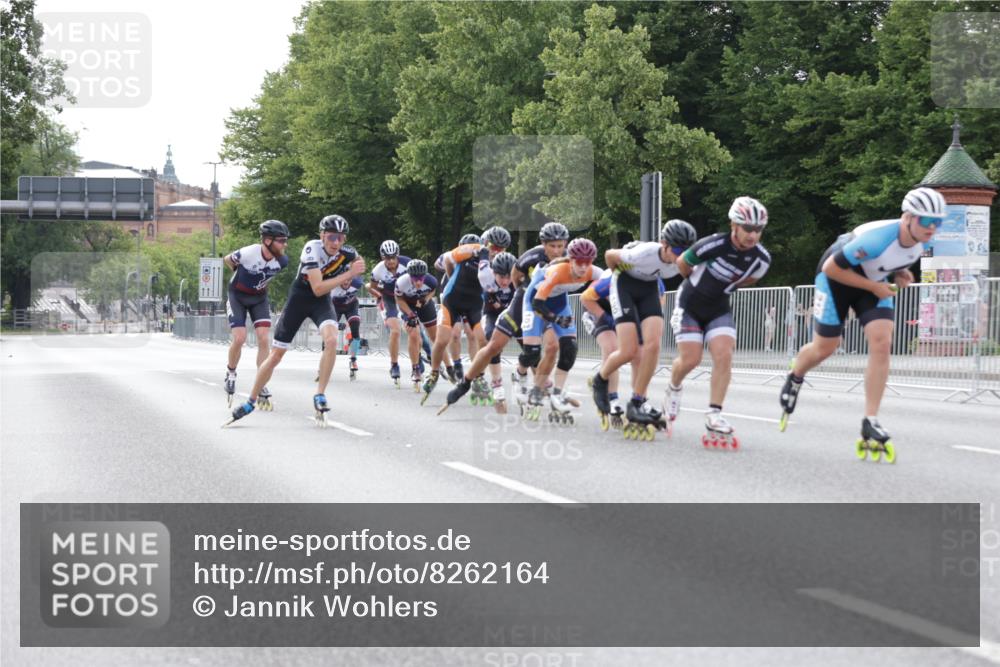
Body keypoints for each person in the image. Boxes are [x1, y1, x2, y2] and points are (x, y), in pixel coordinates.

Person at [778, 187, 946, 461]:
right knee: (826, 347)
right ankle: (796, 373)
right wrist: (874, 287)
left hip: (871, 282)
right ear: (907, 218)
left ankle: (870, 418)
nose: (933, 228)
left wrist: (901, 273)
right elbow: (832, 268)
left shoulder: (920, 243)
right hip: (834, 279)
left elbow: (889, 262)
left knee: (882, 343)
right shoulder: (878, 238)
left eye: (938, 222)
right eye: (927, 221)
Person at [228, 214, 364, 426]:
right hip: (299, 300)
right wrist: (348, 275)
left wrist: (356, 265)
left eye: (340, 238)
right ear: (322, 236)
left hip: (321, 303)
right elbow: (318, 288)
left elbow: (358, 264)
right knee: (275, 356)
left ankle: (320, 394)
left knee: (331, 341)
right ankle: (251, 401)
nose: (335, 243)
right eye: (331, 237)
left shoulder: (347, 252)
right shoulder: (312, 248)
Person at [666, 198, 771, 447]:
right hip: (690, 303)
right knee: (691, 359)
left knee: (724, 355)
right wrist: (698, 283)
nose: (752, 235)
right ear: (734, 225)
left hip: (718, 307)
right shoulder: (712, 244)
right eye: (748, 228)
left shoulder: (761, 259)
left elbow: (750, 279)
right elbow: (683, 264)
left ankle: (714, 413)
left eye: (758, 230)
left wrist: (720, 288)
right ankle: (674, 387)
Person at [440, 222, 569, 414]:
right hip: (490, 312)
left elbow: (524, 285)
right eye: (500, 277)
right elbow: (450, 262)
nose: (504, 281)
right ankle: (495, 384)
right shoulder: (483, 266)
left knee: (532, 351)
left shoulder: (512, 265)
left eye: (507, 278)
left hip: (517, 308)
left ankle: (539, 385)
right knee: (490, 341)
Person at [591, 220, 696, 438]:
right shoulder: (644, 253)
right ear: (663, 244)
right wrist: (619, 277)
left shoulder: (684, 261)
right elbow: (610, 255)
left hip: (649, 288)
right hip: (624, 284)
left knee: (653, 345)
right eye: (676, 250)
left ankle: (637, 401)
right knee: (628, 350)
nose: (679, 257)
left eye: (684, 252)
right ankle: (600, 379)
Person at [421, 230, 509, 404]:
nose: (496, 252)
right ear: (485, 243)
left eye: (501, 249)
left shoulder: (500, 262)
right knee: (442, 339)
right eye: (493, 247)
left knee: (481, 340)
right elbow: (447, 259)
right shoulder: (471, 249)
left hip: (474, 304)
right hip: (452, 300)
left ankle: (479, 378)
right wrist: (452, 275)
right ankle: (433, 373)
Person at [521, 238, 603, 423]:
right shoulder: (557, 272)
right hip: (535, 301)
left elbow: (613, 287)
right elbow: (537, 303)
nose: (583, 268)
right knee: (532, 354)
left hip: (559, 303)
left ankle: (556, 394)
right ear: (570, 260)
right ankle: (525, 378)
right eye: (579, 263)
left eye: (587, 263)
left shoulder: (594, 272)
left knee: (569, 349)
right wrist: (556, 319)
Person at [222, 220, 290, 409]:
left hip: (259, 299)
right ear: (267, 240)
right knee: (240, 338)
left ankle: (261, 383)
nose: (285, 245)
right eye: (281, 241)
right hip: (237, 296)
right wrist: (238, 272)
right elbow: (227, 259)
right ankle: (231, 372)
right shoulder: (249, 252)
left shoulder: (282, 261)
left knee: (263, 338)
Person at [369, 240, 411, 385]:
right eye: (388, 258)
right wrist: (378, 295)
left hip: (405, 297)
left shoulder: (407, 263)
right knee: (395, 331)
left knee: (414, 328)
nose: (391, 261)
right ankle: (394, 365)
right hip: (388, 299)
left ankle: (420, 360)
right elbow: (371, 286)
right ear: (383, 258)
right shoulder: (378, 270)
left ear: (398, 255)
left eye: (394, 257)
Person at [394, 259, 441, 389]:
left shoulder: (431, 281)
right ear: (409, 276)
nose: (419, 282)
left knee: (435, 336)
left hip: (423, 303)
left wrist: (426, 298)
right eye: (415, 279)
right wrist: (410, 314)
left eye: (421, 279)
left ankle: (435, 359)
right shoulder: (401, 282)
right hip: (407, 304)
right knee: (414, 334)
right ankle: (416, 369)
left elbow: (433, 290)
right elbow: (398, 299)